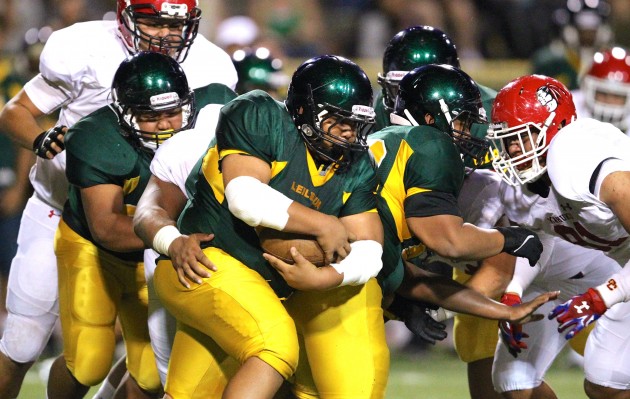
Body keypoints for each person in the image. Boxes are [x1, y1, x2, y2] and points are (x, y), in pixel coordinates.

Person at [0, 0, 237, 397]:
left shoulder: (212, 68)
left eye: (174, 24)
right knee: (25, 342)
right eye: (152, 20)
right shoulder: (83, 51)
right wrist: (41, 140)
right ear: (126, 15)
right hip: (61, 210)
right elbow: (16, 111)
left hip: (158, 223)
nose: (164, 33)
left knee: (150, 371)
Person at [151, 55, 386, 399]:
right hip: (206, 264)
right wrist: (323, 224)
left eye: (356, 123)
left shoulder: (357, 164)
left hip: (258, 288)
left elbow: (370, 247)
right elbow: (245, 197)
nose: (349, 132)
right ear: (304, 111)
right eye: (338, 121)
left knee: (189, 394)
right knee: (275, 346)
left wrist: (328, 276)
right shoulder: (260, 114)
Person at [487, 74, 630, 399]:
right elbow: (539, 239)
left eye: (522, 137)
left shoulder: (577, 157)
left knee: (604, 378)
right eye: (506, 139)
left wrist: (603, 296)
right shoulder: (522, 183)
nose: (511, 150)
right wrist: (513, 291)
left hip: (619, 267)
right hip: (614, 259)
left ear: (554, 128)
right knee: (514, 380)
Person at [374, 25, 496, 168]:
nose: (406, 101)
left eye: (421, 90)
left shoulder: (490, 112)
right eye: (397, 89)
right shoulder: (383, 104)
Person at [531, 0, 613, 90]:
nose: (588, 35)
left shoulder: (609, 59)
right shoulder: (550, 61)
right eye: (583, 31)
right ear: (571, 31)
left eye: (592, 31)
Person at [574, 46, 630, 133]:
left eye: (617, 96)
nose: (609, 100)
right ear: (586, 88)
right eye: (603, 93)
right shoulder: (570, 108)